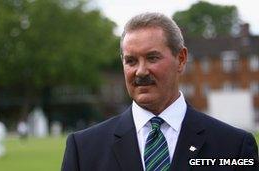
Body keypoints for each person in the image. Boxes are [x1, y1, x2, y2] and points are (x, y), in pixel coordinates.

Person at [62, 12, 258, 171]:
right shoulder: (83, 149)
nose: (141, 71)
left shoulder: (235, 148)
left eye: (152, 58)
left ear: (181, 59)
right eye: (131, 61)